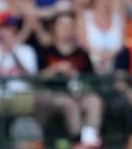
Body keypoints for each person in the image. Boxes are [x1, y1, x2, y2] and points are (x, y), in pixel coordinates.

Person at [35, 11, 103, 139]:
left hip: (79, 92)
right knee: (69, 105)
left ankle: (89, 139)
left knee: (94, 101)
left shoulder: (81, 53)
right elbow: (37, 78)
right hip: (53, 93)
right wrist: (55, 69)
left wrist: (75, 75)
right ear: (53, 28)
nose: (67, 30)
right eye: (63, 26)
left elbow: (92, 79)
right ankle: (77, 140)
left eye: (70, 26)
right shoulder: (45, 51)